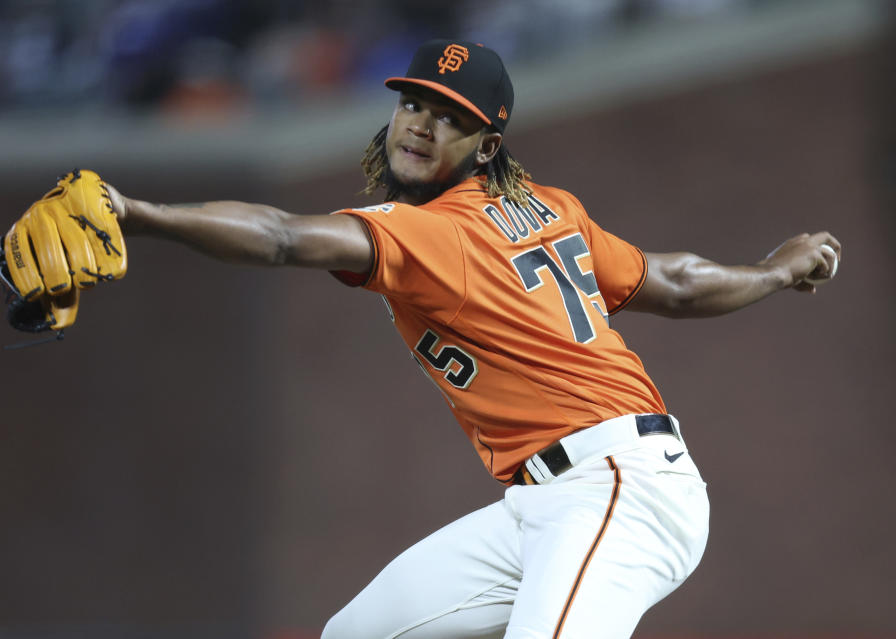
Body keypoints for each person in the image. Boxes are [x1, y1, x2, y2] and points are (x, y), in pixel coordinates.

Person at [104, 40, 840, 639]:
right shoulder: (545, 208)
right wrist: (772, 271)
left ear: (486, 145)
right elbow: (674, 282)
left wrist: (140, 213)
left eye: (447, 117)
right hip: (543, 505)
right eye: (412, 103)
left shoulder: (429, 229)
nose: (419, 124)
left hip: (619, 486)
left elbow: (278, 237)